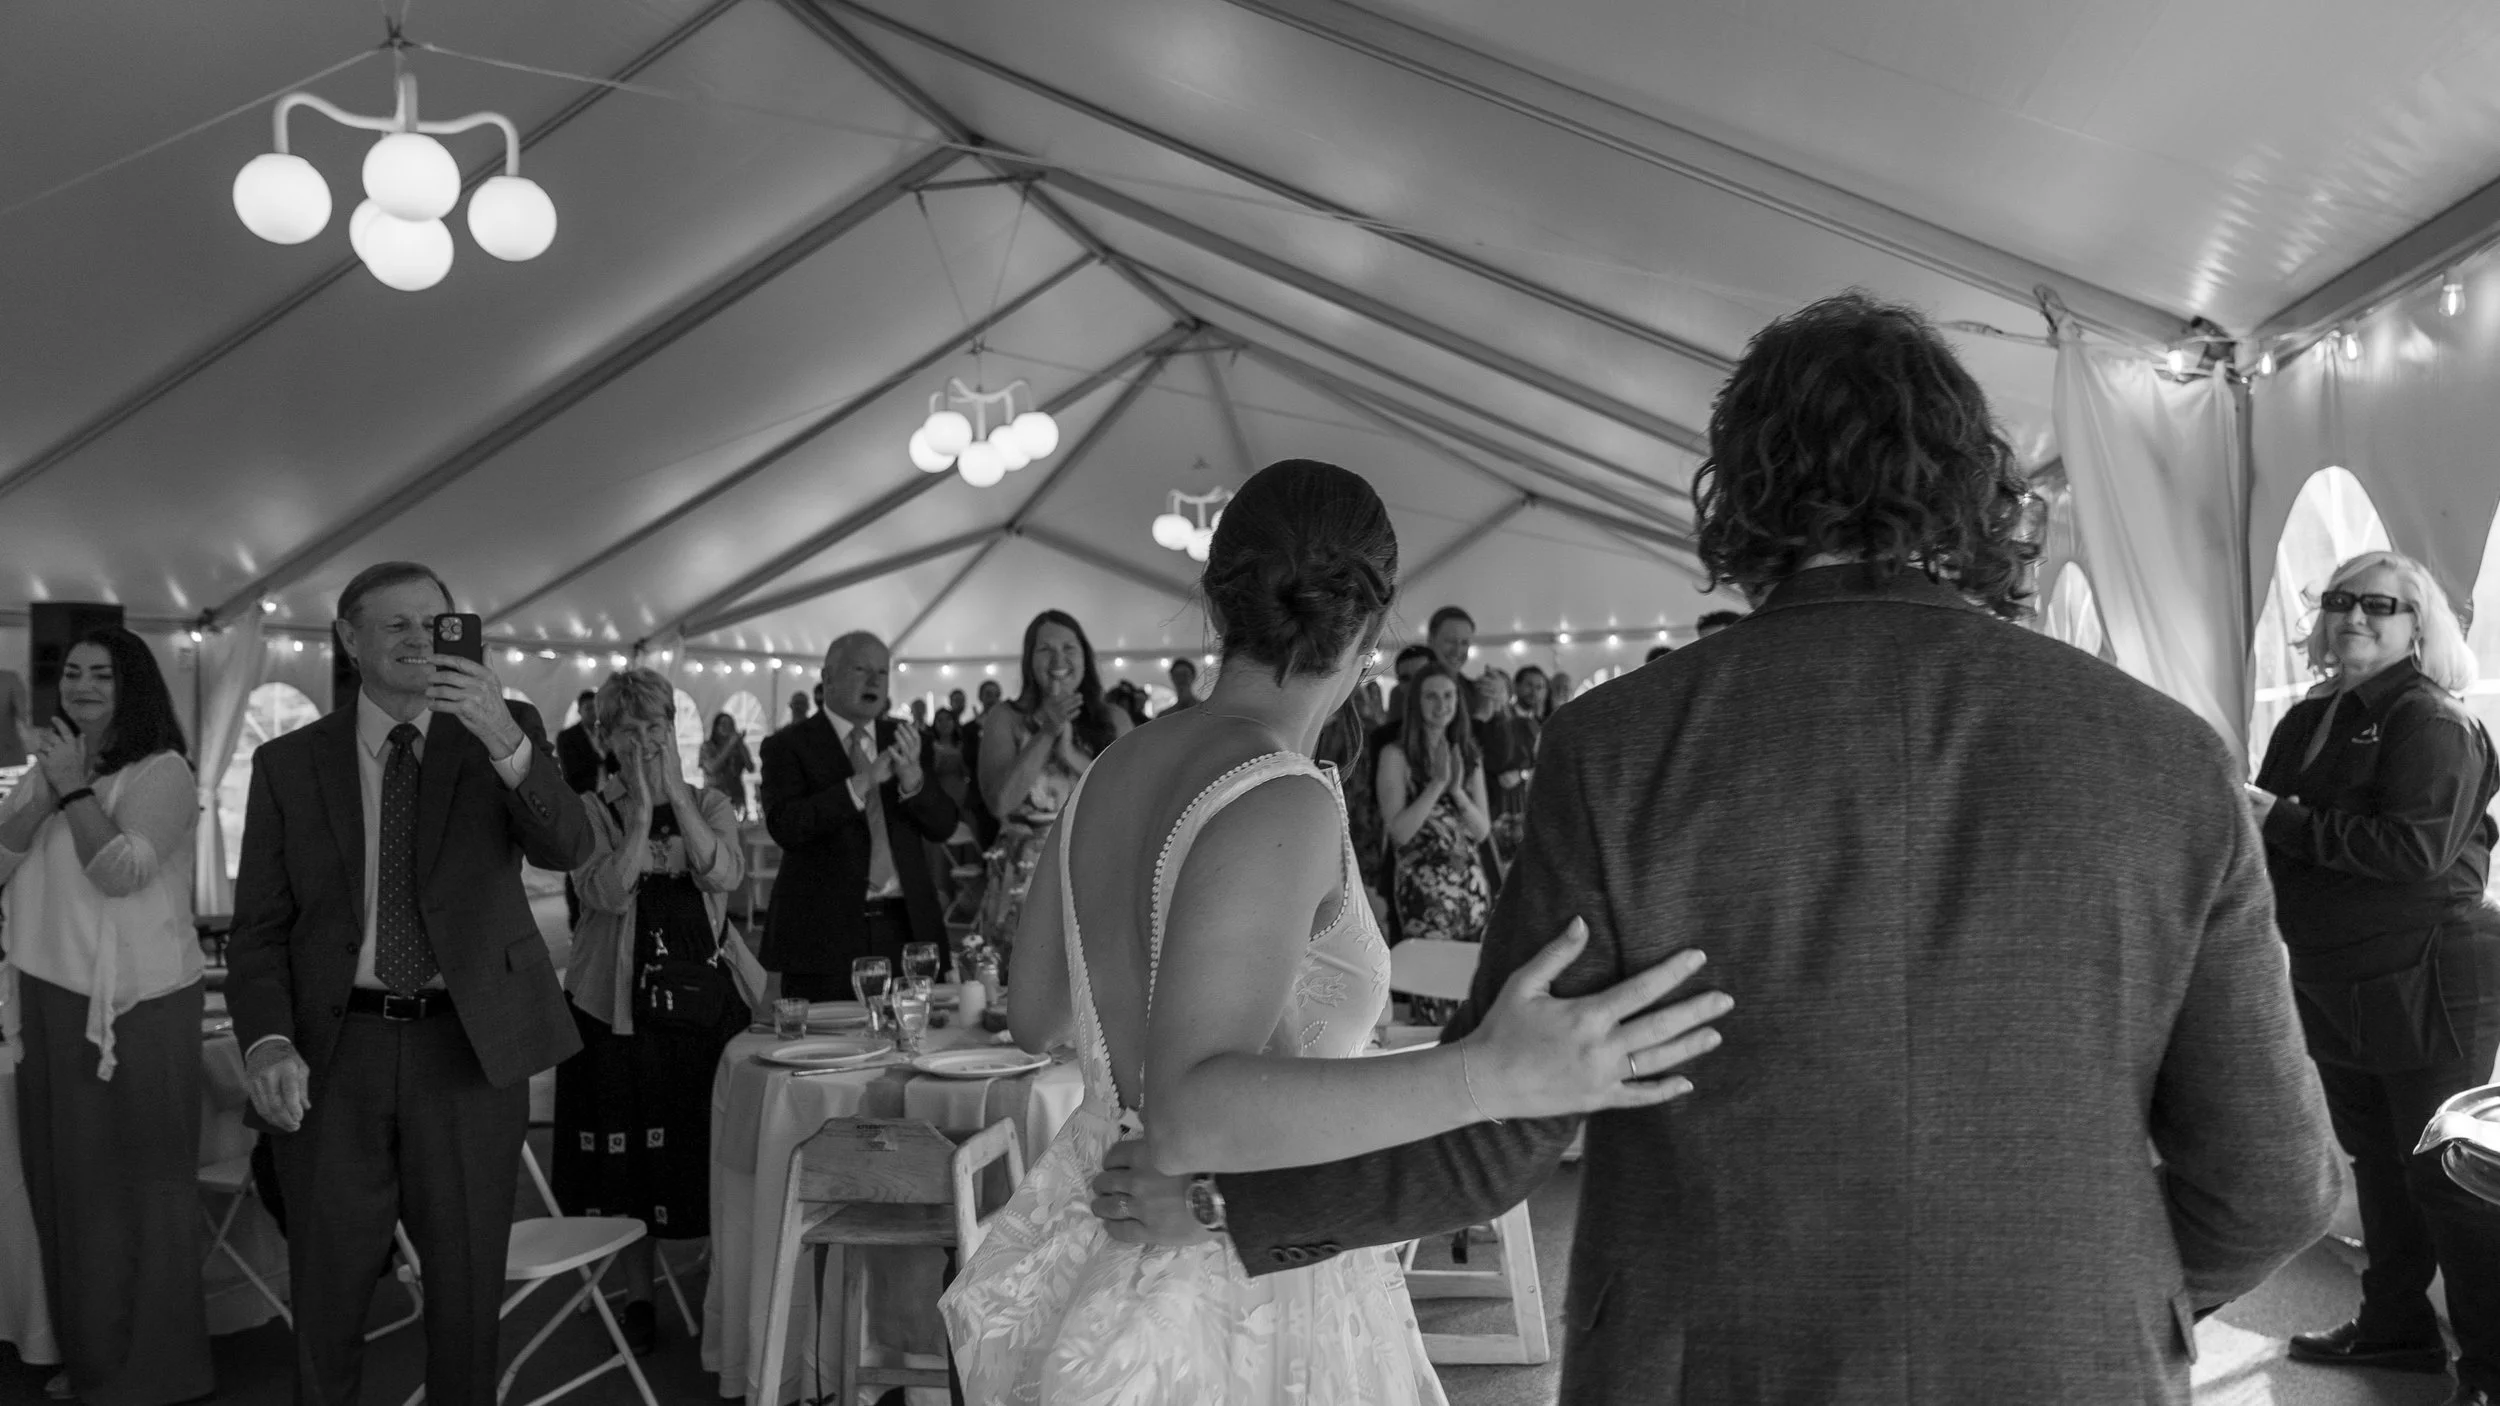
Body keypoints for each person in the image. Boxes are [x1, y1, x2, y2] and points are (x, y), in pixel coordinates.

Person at [1090, 294, 2340, 1404]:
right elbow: (2277, 1177)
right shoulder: (2167, 756)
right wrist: (2095, 1297)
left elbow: (1503, 1124)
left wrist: (1228, 1201)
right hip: (2068, 1360)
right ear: (1972, 489)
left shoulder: (1622, 747)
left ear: (1744, 492)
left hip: (1706, 1359)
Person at [938, 458, 1729, 1402]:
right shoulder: (1281, 796)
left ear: (1220, 598)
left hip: (1098, 1221)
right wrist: (1488, 1072)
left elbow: (1037, 1019)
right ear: (1369, 621)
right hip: (1223, 1274)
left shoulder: (1107, 772)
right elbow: (1197, 1110)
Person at [229, 561, 593, 1406]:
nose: (419, 641)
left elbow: (569, 847)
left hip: (466, 1049)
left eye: (434, 624)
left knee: (466, 1292)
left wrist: (505, 737)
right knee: (327, 1292)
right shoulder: (289, 764)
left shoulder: (502, 731)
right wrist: (269, 1040)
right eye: (394, 625)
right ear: (349, 641)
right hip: (334, 1053)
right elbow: (259, 932)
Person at [2249, 551, 2500, 1403]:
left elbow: (2416, 850)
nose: (2356, 616)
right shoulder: (2310, 718)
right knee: (2380, 1165)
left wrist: (2281, 818)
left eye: (2380, 605)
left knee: (2448, 1176)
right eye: (2342, 601)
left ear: (2416, 623)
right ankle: (2397, 1329)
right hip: (2335, 976)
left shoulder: (2433, 720)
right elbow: (2269, 827)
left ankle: (2492, 1370)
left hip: (2428, 978)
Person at [0, 627, 210, 1406]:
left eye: (103, 674)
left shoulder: (165, 772)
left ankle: (155, 1372)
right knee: (66, 1187)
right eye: (75, 674)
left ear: (134, 687)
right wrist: (49, 791)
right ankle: (91, 1359)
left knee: (135, 1194)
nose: (84, 686)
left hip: (139, 1007)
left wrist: (78, 794)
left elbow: (121, 874)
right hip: (51, 998)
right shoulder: (49, 767)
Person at [552, 669, 748, 1356]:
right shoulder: (586, 812)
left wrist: (673, 801)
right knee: (628, 1163)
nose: (645, 740)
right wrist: (638, 814)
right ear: (604, 737)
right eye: (629, 729)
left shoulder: (713, 802)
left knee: (712, 1153)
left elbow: (724, 872)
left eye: (656, 726)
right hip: (614, 1015)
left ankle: (723, 1285)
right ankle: (640, 1295)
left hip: (699, 1015)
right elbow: (604, 891)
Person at [757, 633, 957, 1000]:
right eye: (862, 669)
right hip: (825, 934)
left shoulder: (907, 739)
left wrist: (914, 781)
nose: (874, 681)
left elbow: (943, 825)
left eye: (882, 672)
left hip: (906, 926)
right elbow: (786, 825)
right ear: (828, 677)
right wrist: (861, 784)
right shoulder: (788, 745)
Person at [978, 611, 1134, 842]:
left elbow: (1131, 798)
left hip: (1098, 862)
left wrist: (1070, 754)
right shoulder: (1005, 717)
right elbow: (1000, 804)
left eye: (1069, 648)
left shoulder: (1115, 718)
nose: (1058, 660)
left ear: (1084, 657)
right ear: (1029, 660)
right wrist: (1047, 732)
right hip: (1028, 869)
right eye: (1045, 649)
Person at [1378, 660, 1492, 943]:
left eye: (1448, 695)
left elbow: (1483, 831)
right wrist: (1436, 785)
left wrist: (1457, 792)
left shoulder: (1468, 754)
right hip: (1423, 895)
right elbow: (1399, 833)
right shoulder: (1395, 756)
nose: (1441, 704)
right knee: (1428, 980)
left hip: (1471, 888)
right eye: (1431, 696)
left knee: (1467, 982)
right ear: (1416, 702)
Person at [1473, 668, 1532, 873]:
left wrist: (1521, 775)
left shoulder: (1525, 725)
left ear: (1508, 692)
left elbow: (1541, 764)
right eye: (1486, 688)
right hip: (1488, 801)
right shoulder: (1474, 726)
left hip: (1518, 802)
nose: (1492, 694)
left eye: (1496, 688)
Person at [556, 690, 604, 928]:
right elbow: (571, 772)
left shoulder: (606, 734)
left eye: (596, 707)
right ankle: (575, 919)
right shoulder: (567, 737)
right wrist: (599, 756)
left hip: (606, 803)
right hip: (581, 803)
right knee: (576, 861)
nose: (593, 712)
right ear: (579, 710)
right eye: (588, 708)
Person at [698, 711, 754, 818]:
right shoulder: (707, 747)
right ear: (716, 727)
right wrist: (729, 746)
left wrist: (740, 744)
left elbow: (750, 767)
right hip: (715, 797)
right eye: (723, 724)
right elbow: (711, 768)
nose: (727, 727)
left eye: (730, 724)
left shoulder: (738, 746)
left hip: (736, 796)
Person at [0, 666, 30, 767]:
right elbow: (23, 716)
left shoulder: (9, 678)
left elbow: (23, 715)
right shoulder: (10, 678)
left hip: (8, 755)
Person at [1511, 663, 1552, 732]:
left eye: (1539, 687)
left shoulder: (1547, 721)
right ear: (1516, 686)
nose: (1534, 692)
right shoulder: (1506, 716)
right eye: (1529, 685)